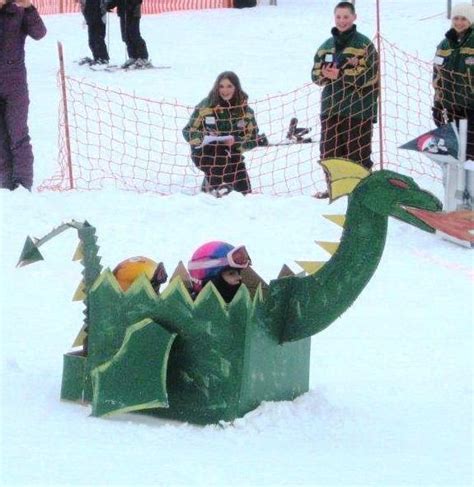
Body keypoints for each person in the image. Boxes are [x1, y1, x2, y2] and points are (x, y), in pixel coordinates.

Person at [311, 1, 379, 197]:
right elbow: (314, 75)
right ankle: (336, 190)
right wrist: (324, 75)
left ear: (354, 17)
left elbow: (372, 75)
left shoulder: (364, 44)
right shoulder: (326, 46)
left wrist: (341, 76)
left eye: (346, 17)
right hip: (331, 108)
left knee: (357, 154)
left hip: (358, 110)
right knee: (329, 152)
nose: (342, 21)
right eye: (338, 17)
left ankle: (360, 194)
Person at [182, 71, 262, 196]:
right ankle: (212, 191)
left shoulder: (245, 111)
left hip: (233, 155)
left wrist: (236, 141)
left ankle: (211, 188)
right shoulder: (206, 107)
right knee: (220, 153)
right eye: (221, 86)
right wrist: (203, 137)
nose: (225, 90)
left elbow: (254, 137)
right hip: (205, 154)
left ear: (236, 87)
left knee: (245, 194)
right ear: (216, 87)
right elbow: (187, 131)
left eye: (229, 86)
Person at [0, 0, 46, 191]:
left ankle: (23, 184)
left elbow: (39, 33)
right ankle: (6, 183)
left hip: (15, 83)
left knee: (18, 134)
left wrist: (29, 8)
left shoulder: (19, 11)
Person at [432, 2, 474, 162]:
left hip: (471, 108)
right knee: (455, 152)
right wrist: (437, 103)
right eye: (456, 18)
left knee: (471, 153)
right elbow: (437, 76)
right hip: (450, 108)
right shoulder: (444, 45)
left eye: (464, 18)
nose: (459, 22)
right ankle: (456, 185)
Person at [187, 241, 252, 303]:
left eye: (238, 272)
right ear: (209, 280)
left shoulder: (241, 307)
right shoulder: (189, 313)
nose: (239, 277)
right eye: (231, 273)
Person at [105, 0, 150, 69]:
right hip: (123, 13)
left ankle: (143, 57)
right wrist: (110, 5)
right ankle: (133, 56)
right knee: (126, 36)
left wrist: (131, 4)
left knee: (134, 34)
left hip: (134, 12)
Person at [77, 0, 109, 65]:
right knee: (92, 41)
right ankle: (97, 58)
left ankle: (103, 58)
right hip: (90, 14)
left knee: (98, 39)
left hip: (99, 15)